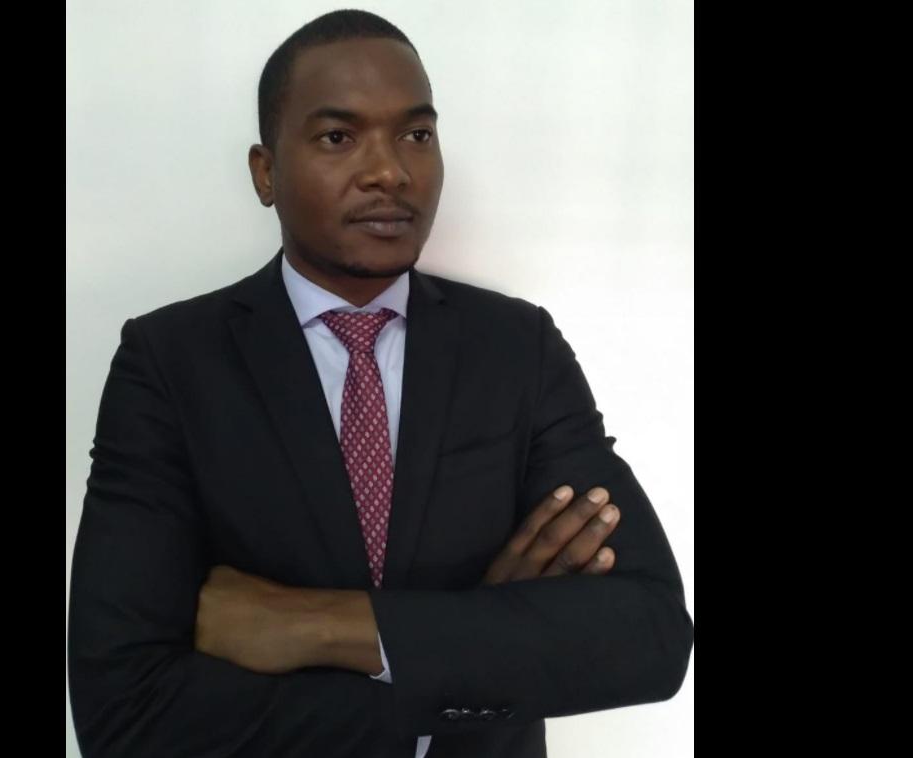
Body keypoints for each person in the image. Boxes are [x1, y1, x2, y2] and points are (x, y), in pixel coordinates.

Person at [68, 9, 693, 758]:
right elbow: (123, 711)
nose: (390, 171)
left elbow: (651, 635)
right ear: (265, 172)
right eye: (339, 137)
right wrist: (470, 647)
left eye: (416, 134)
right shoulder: (170, 363)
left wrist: (321, 626)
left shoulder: (516, 348)